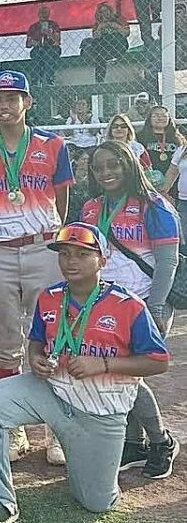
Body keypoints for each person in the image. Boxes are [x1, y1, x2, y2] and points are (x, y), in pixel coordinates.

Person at [0, 222, 169, 523]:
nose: (70, 261)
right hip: (52, 394)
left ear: (102, 260)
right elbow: (36, 340)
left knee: (96, 502)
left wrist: (103, 364)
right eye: (64, 253)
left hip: (100, 413)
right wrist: (35, 358)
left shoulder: (128, 305)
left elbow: (158, 361)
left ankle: (83, 459)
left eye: (82, 254)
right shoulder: (50, 297)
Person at [0, 70, 73, 463]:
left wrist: (52, 239)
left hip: (43, 246)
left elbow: (62, 201)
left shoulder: (53, 144)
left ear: (28, 101)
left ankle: (58, 429)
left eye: (12, 98)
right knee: (5, 340)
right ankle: (14, 429)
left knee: (54, 335)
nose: (4, 105)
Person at [80, 140, 181, 479]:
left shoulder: (155, 206)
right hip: (105, 304)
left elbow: (167, 262)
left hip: (145, 302)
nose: (106, 172)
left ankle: (161, 441)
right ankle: (135, 443)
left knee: (127, 377)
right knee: (121, 377)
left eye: (114, 164)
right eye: (98, 167)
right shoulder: (91, 208)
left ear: (130, 165)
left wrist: (155, 308)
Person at [80, 3, 130, 83]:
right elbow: (95, 37)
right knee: (94, 47)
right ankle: (99, 81)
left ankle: (112, 57)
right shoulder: (98, 24)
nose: (104, 13)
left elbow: (126, 33)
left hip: (118, 44)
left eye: (106, 11)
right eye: (101, 12)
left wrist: (114, 26)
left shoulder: (119, 19)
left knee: (114, 36)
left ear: (110, 11)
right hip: (104, 47)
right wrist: (100, 27)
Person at [142, 104, 187, 180]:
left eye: (164, 116)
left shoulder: (178, 138)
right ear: (149, 118)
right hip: (149, 178)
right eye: (156, 115)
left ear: (169, 118)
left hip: (174, 179)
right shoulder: (141, 137)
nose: (160, 118)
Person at [26, 6, 62, 86]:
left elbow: (57, 41)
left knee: (49, 55)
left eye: (46, 13)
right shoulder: (33, 27)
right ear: (38, 14)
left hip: (51, 48)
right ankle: (35, 80)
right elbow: (28, 43)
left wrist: (50, 34)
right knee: (36, 55)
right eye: (42, 12)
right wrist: (35, 42)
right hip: (38, 48)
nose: (44, 15)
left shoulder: (54, 25)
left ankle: (49, 79)